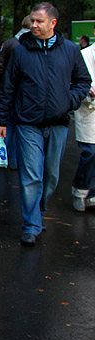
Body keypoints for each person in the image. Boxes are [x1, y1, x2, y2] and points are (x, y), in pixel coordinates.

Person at [0, 2, 92, 246]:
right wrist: (1, 121)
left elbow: (83, 81)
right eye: (33, 21)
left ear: (53, 23)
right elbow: (8, 88)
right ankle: (31, 224)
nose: (34, 25)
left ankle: (39, 211)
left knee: (51, 176)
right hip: (28, 123)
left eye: (39, 21)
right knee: (32, 176)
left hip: (58, 123)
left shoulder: (70, 51)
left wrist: (68, 101)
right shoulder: (21, 51)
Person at [0, 15, 33, 170]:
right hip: (22, 92)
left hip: (8, 89)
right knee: (19, 124)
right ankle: (16, 160)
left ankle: (6, 155)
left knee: (8, 123)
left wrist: (3, 82)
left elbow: (0, 65)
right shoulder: (26, 46)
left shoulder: (9, 43)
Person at [72, 22, 95, 211]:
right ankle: (80, 189)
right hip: (90, 111)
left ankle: (92, 193)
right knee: (90, 152)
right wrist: (89, 91)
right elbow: (80, 81)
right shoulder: (85, 55)